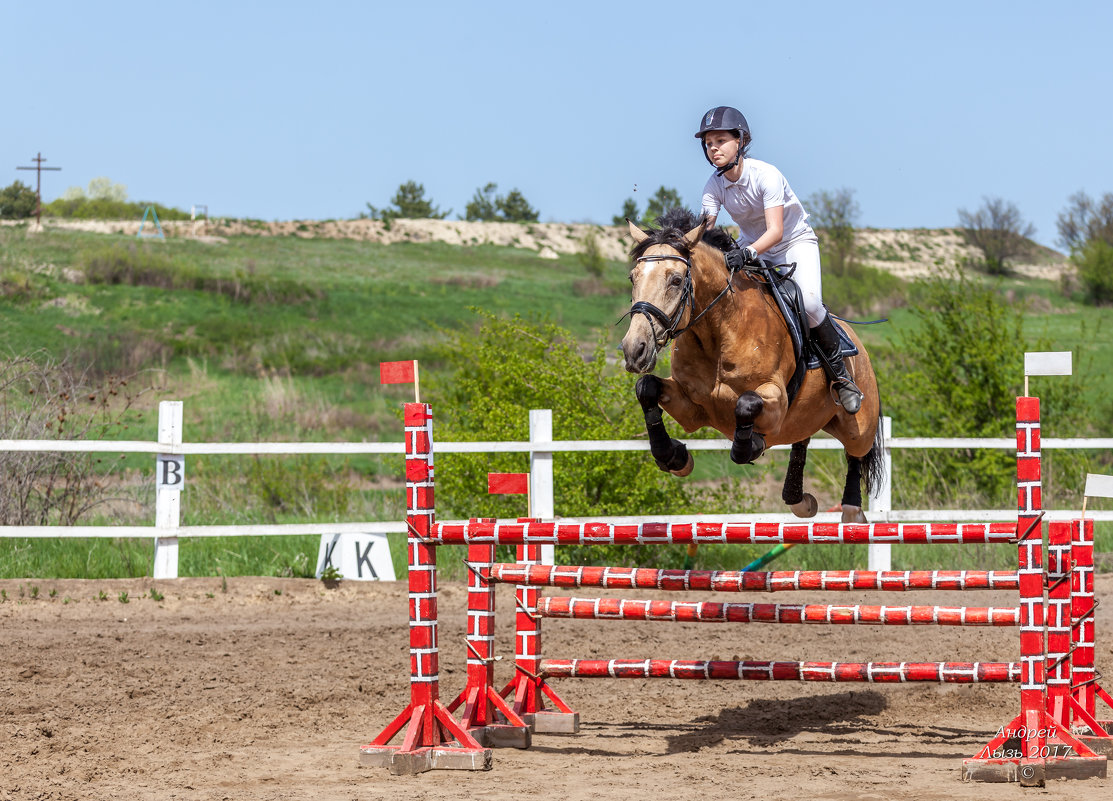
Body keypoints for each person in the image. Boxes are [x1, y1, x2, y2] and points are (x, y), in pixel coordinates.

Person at [695, 105, 862, 414]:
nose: (713, 148)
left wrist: (746, 252)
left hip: (792, 243)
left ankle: (841, 376)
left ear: (740, 141)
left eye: (720, 141)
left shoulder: (766, 175)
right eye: (708, 143)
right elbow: (705, 229)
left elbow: (776, 230)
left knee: (810, 304)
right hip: (752, 244)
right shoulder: (713, 185)